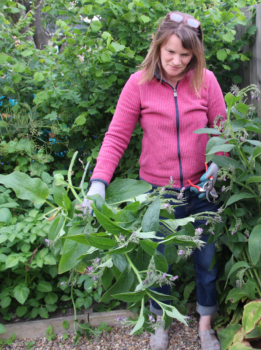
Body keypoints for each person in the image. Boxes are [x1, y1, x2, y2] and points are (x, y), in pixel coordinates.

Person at [82, 11, 226, 350]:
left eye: (185, 55)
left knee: (206, 260)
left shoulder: (206, 81)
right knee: (157, 260)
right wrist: (99, 182)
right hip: (156, 193)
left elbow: (222, 133)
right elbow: (116, 136)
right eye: (170, 52)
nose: (177, 61)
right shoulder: (139, 84)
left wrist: (217, 164)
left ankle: (205, 324)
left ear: (195, 54)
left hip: (200, 189)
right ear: (158, 47)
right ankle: (160, 320)